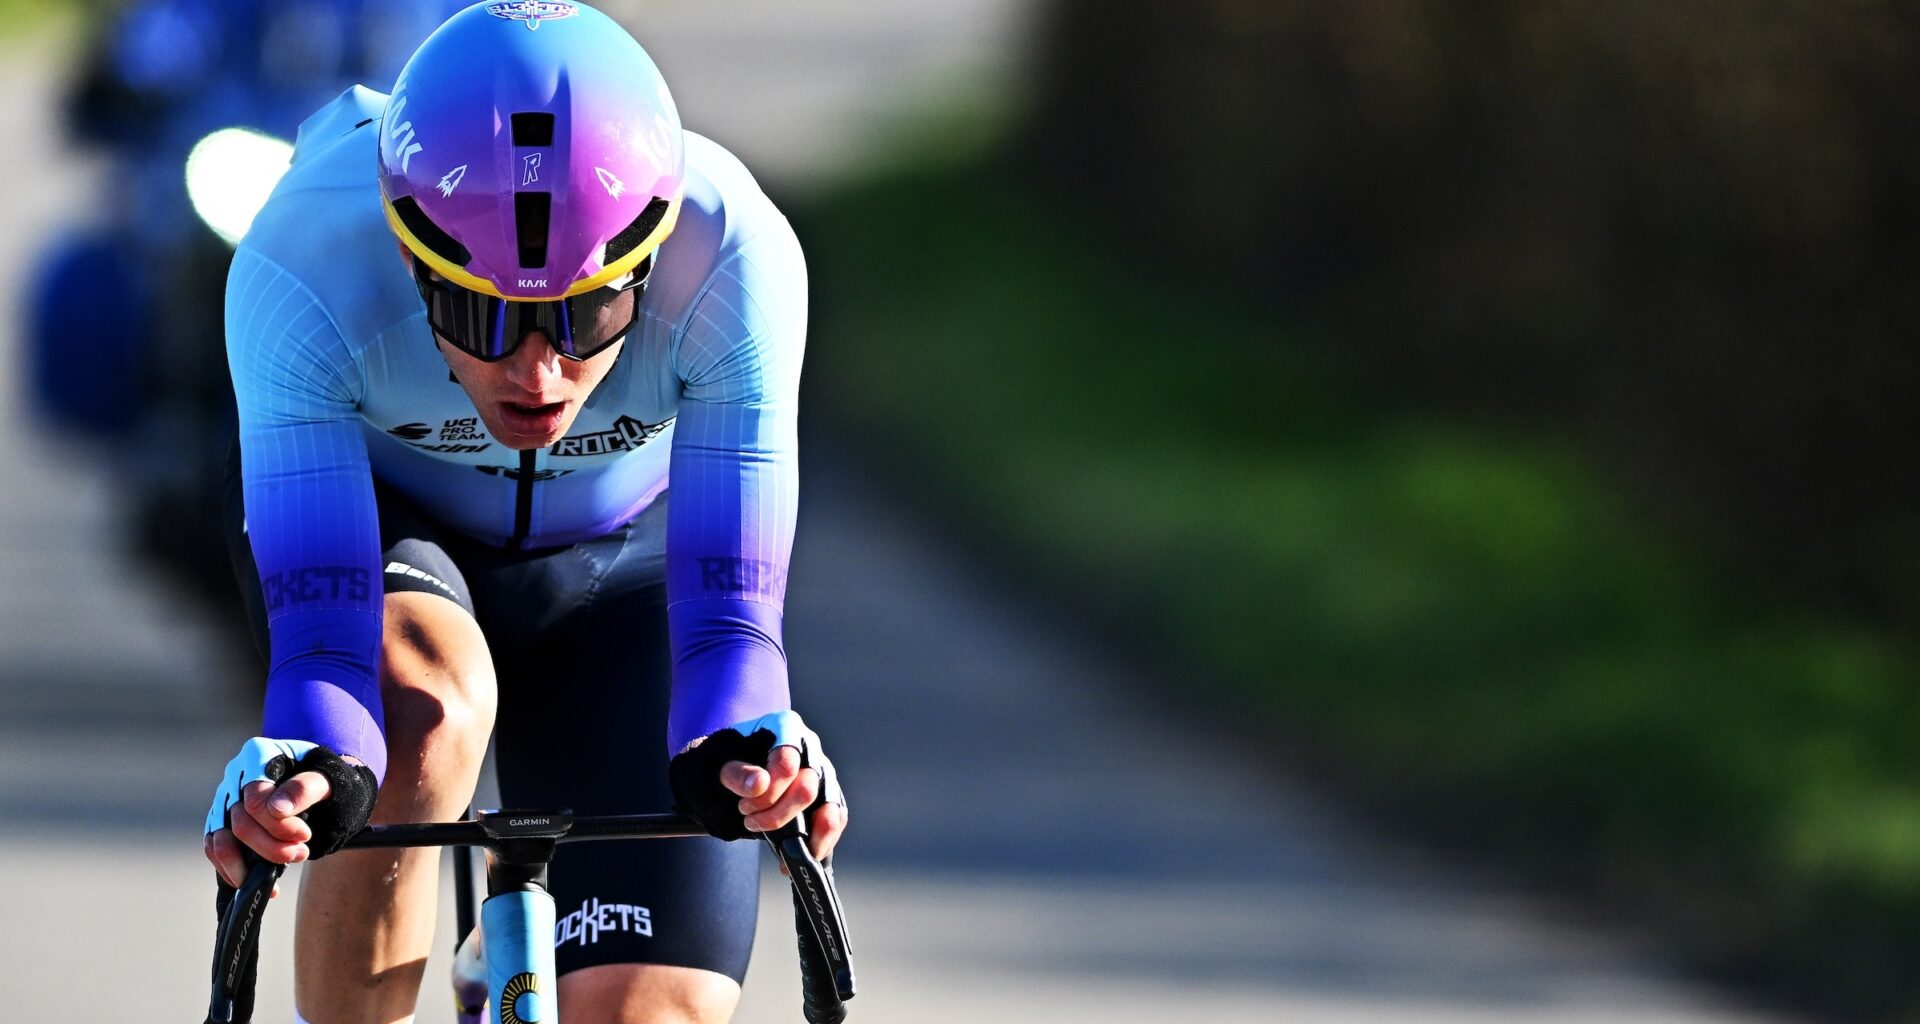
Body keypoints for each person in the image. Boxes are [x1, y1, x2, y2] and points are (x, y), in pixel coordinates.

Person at [199, 3, 845, 1021]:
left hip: (620, 561)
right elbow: (325, 662)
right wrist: (305, 770)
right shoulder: (301, 261)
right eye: (477, 312)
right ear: (412, 259)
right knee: (423, 712)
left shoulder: (736, 257)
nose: (536, 370)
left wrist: (757, 751)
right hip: (396, 535)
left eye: (585, 313)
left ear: (644, 264)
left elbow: (729, 633)